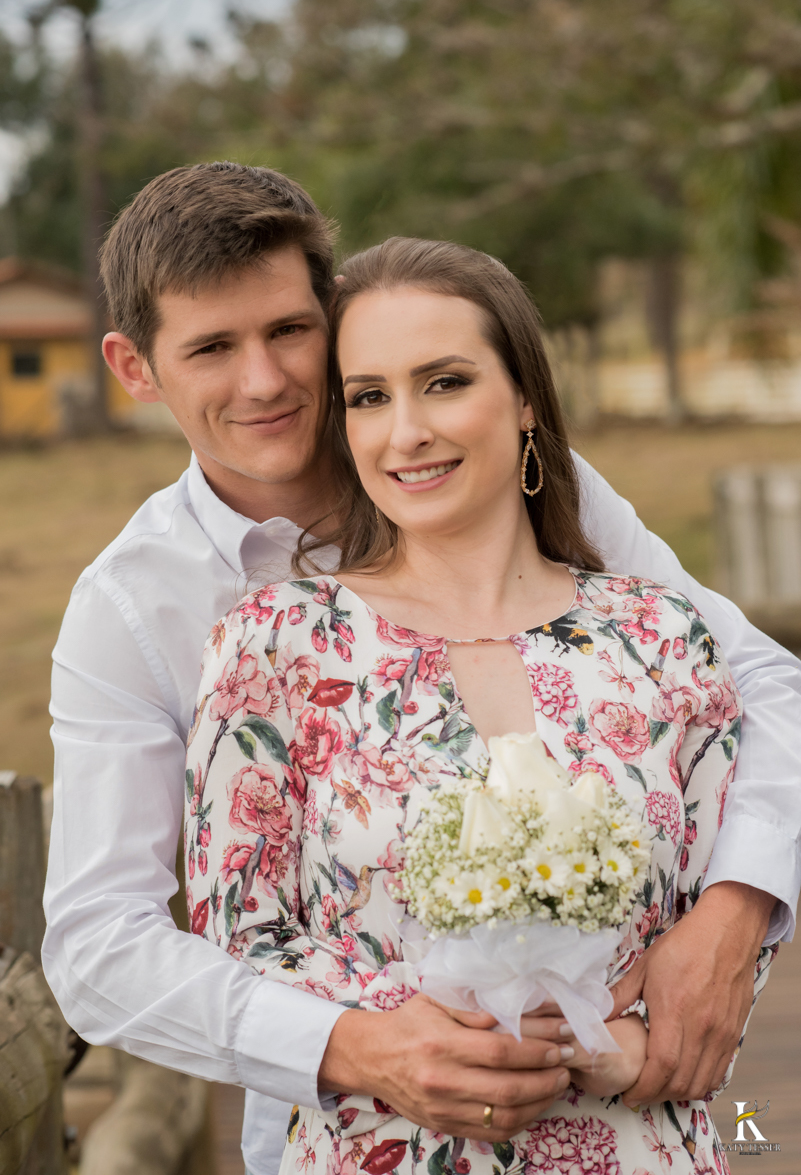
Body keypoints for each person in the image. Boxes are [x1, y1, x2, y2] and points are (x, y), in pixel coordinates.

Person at [42, 163, 799, 1175]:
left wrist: (736, 909)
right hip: (359, 1120)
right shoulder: (149, 609)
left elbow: (754, 680)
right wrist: (359, 1048)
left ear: (332, 313)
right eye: (213, 348)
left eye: (288, 332)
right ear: (135, 369)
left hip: (642, 1116)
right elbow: (99, 940)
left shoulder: (518, 492)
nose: (264, 381)